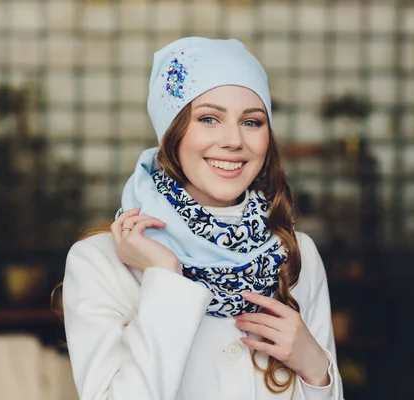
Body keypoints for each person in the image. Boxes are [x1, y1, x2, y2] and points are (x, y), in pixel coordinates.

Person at [62, 37, 344, 400]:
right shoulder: (99, 262)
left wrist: (314, 366)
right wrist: (164, 277)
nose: (233, 140)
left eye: (252, 122)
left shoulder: (294, 252)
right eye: (209, 118)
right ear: (172, 132)